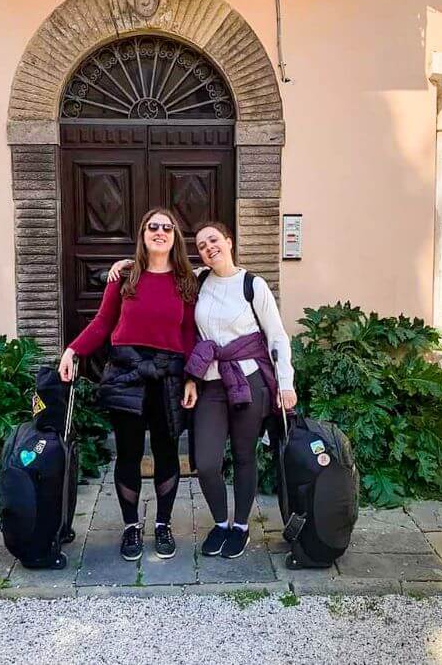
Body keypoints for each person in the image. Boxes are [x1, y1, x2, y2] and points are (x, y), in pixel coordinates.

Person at [108, 220, 296, 559]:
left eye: (214, 240)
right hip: (210, 381)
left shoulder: (253, 285)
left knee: (243, 456)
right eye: (202, 245)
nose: (209, 247)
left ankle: (240, 526)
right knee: (206, 462)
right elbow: (157, 273)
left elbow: (277, 336)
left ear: (229, 242)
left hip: (248, 379)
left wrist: (285, 383)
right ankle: (220, 522)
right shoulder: (198, 280)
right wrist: (126, 266)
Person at [58, 209, 198, 562]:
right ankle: (131, 526)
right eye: (153, 226)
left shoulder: (186, 282)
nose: (160, 232)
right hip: (127, 373)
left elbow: (189, 334)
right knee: (130, 454)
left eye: (167, 227)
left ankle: (163, 524)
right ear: (143, 233)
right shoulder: (124, 277)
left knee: (167, 454)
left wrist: (192, 377)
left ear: (175, 237)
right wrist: (72, 350)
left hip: (168, 376)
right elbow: (103, 323)